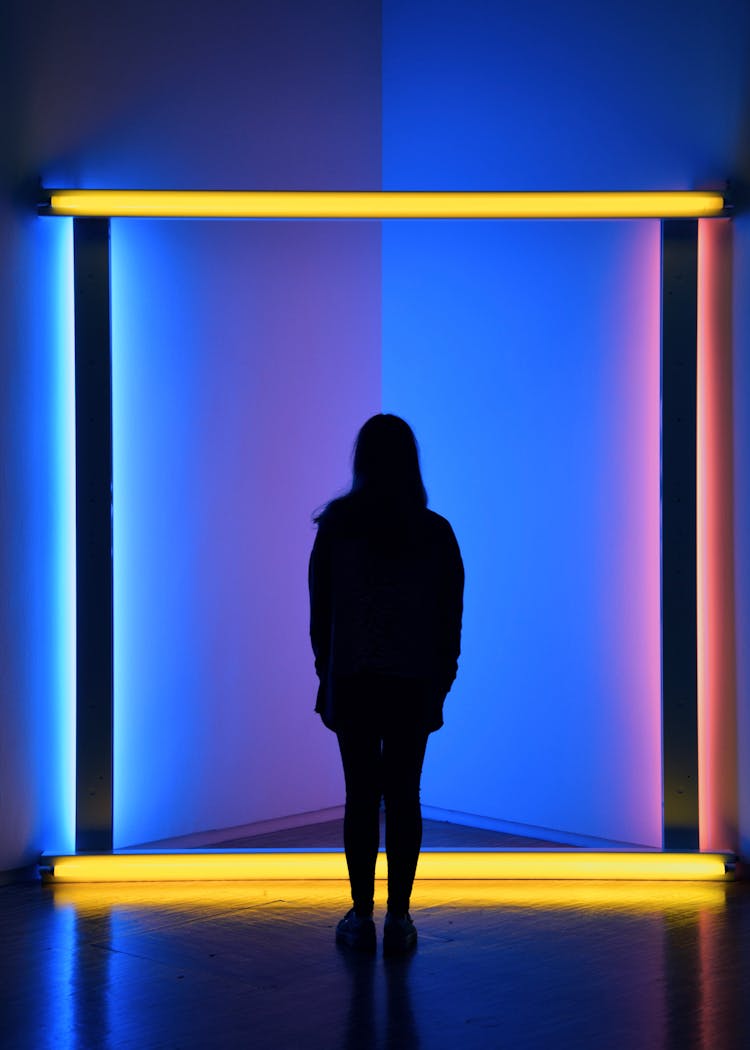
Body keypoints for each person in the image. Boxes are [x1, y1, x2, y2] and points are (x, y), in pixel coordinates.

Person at [308, 414, 464, 955]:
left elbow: (319, 613)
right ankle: (399, 916)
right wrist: (441, 681)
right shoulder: (434, 532)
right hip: (412, 684)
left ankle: (360, 913)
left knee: (359, 797)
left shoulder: (338, 528)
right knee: (404, 796)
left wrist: (327, 676)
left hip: (353, 682)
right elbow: (450, 618)